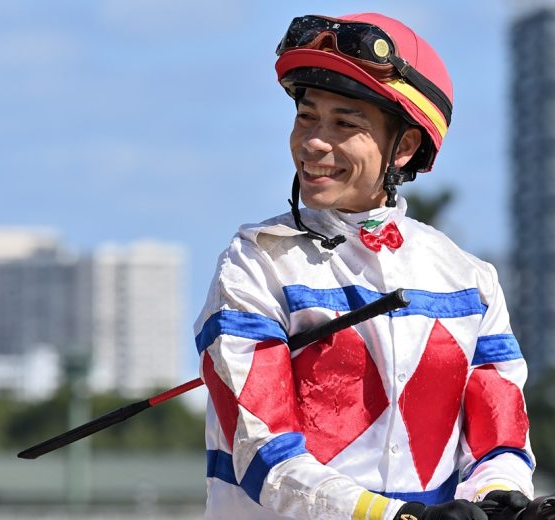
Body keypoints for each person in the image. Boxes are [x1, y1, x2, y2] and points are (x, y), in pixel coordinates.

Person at [194, 12, 535, 520]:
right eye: (307, 117)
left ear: (405, 147)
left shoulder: (471, 280)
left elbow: (500, 441)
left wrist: (500, 493)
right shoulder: (254, 265)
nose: (313, 142)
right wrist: (393, 517)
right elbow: (264, 454)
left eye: (344, 124)